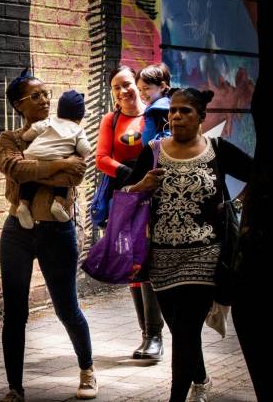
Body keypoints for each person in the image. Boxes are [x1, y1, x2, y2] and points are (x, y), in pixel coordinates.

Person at [124, 88, 252, 402]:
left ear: (201, 118)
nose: (177, 116)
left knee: (185, 332)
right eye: (173, 111)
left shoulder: (218, 149)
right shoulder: (153, 150)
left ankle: (177, 398)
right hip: (162, 258)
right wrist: (141, 186)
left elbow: (257, 174)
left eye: (185, 111)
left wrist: (237, 205)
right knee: (181, 330)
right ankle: (201, 379)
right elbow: (125, 194)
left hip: (204, 255)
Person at [0, 71, 97, 401]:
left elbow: (78, 171)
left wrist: (38, 164)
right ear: (18, 105)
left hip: (58, 231)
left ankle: (87, 369)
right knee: (15, 313)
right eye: (35, 96)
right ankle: (15, 388)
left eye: (46, 94)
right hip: (17, 233)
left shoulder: (65, 129)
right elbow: (14, 168)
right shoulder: (9, 139)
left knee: (66, 308)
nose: (44, 100)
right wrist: (57, 164)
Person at [95, 65, 165, 360]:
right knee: (133, 266)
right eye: (116, 88)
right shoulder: (111, 120)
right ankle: (146, 336)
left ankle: (155, 336)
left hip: (154, 199)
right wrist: (129, 174)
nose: (123, 91)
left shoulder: (156, 114)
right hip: (124, 198)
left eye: (127, 84)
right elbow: (101, 159)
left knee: (148, 262)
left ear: (137, 85)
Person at [16, 90, 92, 228]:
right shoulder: (78, 129)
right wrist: (81, 153)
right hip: (57, 157)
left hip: (33, 154)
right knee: (63, 175)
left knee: (30, 179)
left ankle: (23, 204)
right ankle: (58, 203)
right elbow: (85, 149)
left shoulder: (49, 121)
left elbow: (30, 133)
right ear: (79, 117)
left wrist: (25, 137)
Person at [136, 63, 171, 144]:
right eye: (139, 89)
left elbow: (167, 136)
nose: (142, 93)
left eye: (146, 88)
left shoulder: (161, 110)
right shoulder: (155, 107)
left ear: (162, 87)